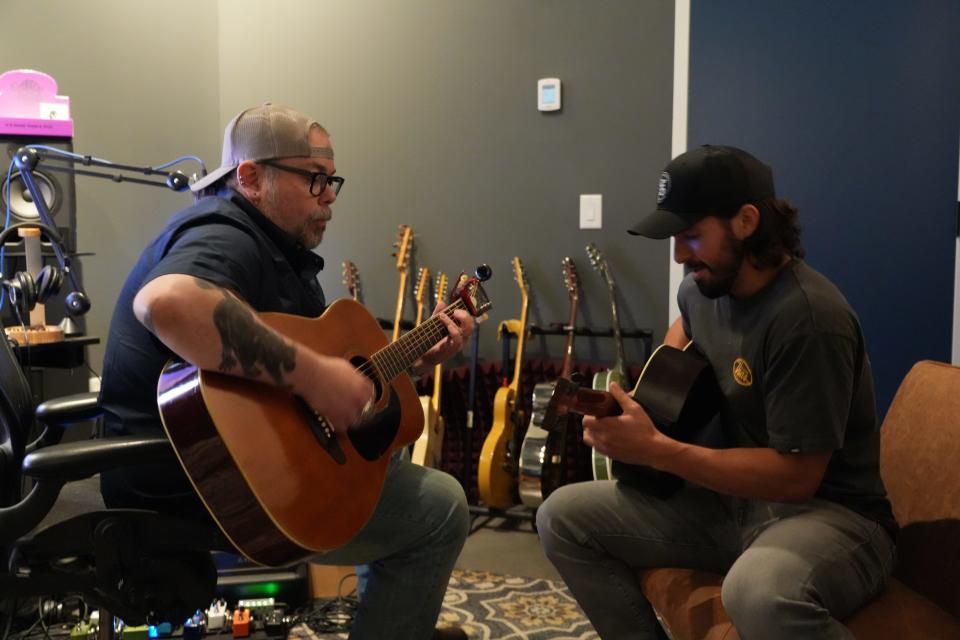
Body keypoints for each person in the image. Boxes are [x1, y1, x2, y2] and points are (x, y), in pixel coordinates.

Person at [98, 104, 473, 640]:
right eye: (315, 180)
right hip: (193, 483)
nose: (331, 197)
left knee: (384, 470)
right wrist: (315, 377)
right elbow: (167, 302)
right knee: (440, 510)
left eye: (333, 181)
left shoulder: (277, 248)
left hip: (229, 466)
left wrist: (410, 359)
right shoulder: (225, 233)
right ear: (250, 176)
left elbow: (289, 380)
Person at [536, 145, 897, 639]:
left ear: (746, 221)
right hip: (730, 504)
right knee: (560, 517)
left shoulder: (810, 320)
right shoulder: (702, 290)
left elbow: (797, 478)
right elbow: (681, 330)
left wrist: (660, 450)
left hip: (832, 517)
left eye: (691, 237)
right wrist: (650, 401)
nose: (680, 255)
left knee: (757, 593)